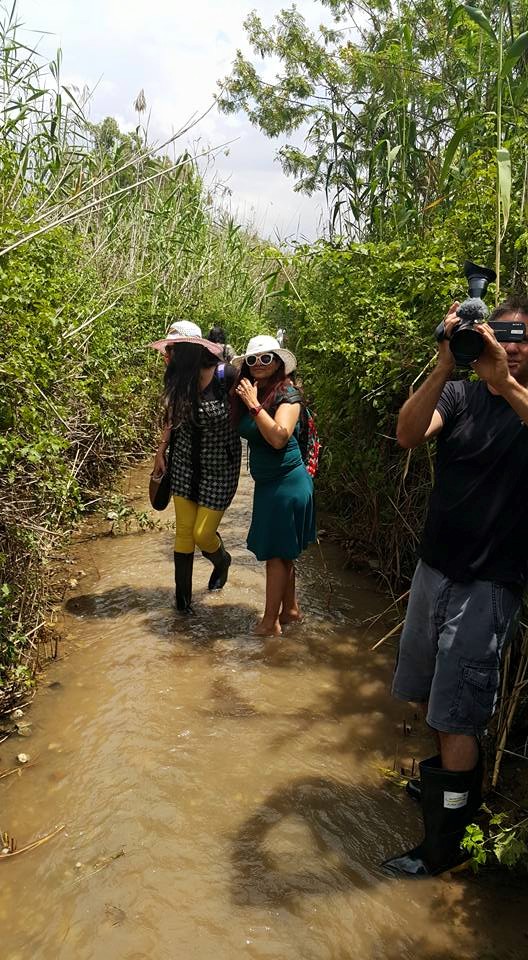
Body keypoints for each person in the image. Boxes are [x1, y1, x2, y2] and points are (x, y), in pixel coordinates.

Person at [383, 295, 528, 878]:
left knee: (456, 714)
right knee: (428, 697)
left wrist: (506, 383)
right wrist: (446, 363)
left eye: (520, 338)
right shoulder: (460, 395)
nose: (510, 347)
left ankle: (445, 851)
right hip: (433, 571)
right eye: (501, 335)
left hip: (488, 584)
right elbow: (407, 434)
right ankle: (454, 792)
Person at [150, 320, 241, 613]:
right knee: (184, 533)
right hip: (184, 464)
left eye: (171, 349)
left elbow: (253, 406)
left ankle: (222, 561)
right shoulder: (177, 378)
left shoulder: (226, 376)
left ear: (189, 351)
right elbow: (171, 415)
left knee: (203, 534)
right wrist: (161, 449)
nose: (166, 355)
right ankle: (182, 607)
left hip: (220, 468)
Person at [233, 334, 316, 636]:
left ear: (279, 362)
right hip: (270, 484)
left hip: (287, 483)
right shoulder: (257, 391)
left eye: (266, 358)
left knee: (276, 554)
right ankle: (290, 610)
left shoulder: (287, 395)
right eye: (252, 359)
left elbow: (279, 437)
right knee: (283, 552)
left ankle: (270, 623)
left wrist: (254, 406)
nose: (258, 363)